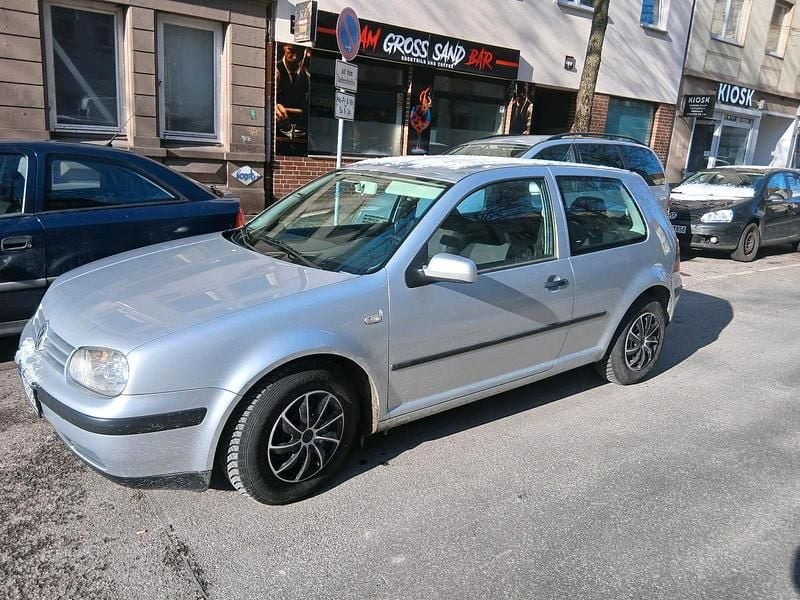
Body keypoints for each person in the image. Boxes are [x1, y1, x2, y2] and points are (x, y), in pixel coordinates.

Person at [275, 44, 310, 134]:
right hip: (278, 131)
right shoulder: (275, 71)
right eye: (290, 51)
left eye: (299, 52)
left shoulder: (306, 76)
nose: (295, 57)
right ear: (283, 48)